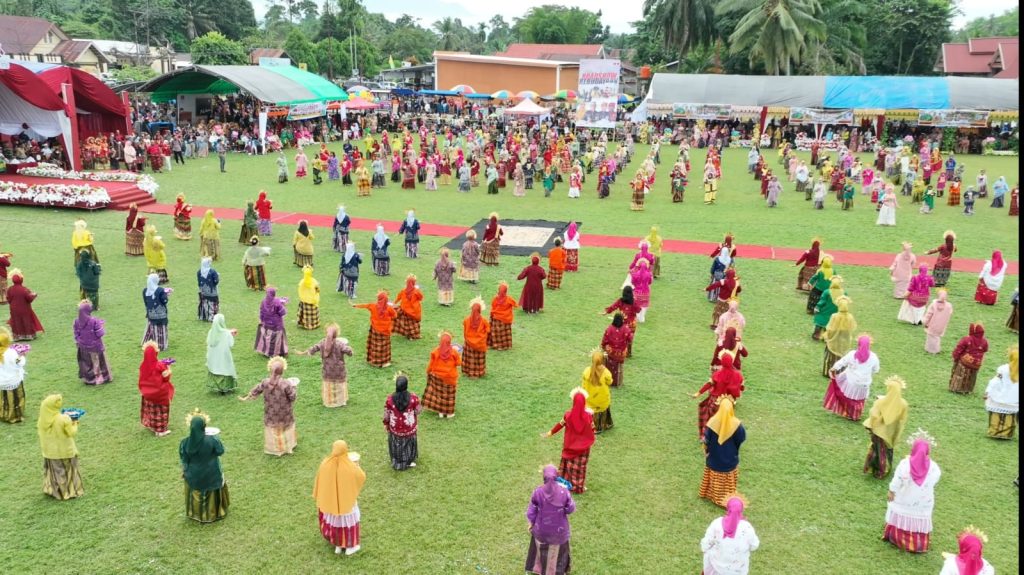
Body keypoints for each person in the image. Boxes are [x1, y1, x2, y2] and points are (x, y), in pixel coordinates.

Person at [884, 433, 941, 553]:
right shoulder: (934, 468)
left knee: (902, 512)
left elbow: (897, 480)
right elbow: (934, 480)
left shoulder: (905, 464)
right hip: (923, 501)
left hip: (904, 498)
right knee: (918, 516)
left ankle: (897, 538)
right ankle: (916, 544)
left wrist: (892, 491)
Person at [313, 440, 365, 555]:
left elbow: (320, 480)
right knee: (348, 522)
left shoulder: (325, 463)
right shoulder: (349, 466)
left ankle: (338, 545)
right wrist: (357, 466)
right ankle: (351, 547)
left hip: (331, 502)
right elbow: (361, 476)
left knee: (336, 522)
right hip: (347, 502)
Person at [240, 356, 298, 456]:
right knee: (285, 427)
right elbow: (292, 397)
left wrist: (248, 397)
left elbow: (256, 390)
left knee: (273, 428)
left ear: (270, 370)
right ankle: (287, 447)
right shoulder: (286, 384)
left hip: (271, 412)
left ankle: (276, 449)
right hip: (285, 412)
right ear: (282, 371)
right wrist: (294, 387)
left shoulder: (265, 382)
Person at [525, 464, 576, 575]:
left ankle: (540, 569)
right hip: (560, 532)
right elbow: (570, 509)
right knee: (559, 552)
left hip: (541, 531)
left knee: (541, 550)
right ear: (556, 476)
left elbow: (531, 512)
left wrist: (531, 524)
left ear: (544, 477)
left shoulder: (537, 492)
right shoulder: (564, 492)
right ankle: (558, 571)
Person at [179, 413, 229, 523]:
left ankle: (196, 513)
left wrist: (184, 471)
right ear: (204, 426)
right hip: (212, 474)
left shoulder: (185, 442)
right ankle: (213, 513)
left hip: (194, 476)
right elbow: (220, 451)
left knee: (194, 486)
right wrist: (216, 438)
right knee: (212, 485)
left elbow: (184, 460)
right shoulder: (211, 440)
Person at [544, 388, 595, 494]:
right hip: (583, 448)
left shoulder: (568, 415)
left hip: (570, 445)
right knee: (580, 467)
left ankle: (564, 482)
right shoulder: (588, 416)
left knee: (567, 464)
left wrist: (551, 432)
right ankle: (578, 487)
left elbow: (560, 424)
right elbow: (593, 429)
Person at [700, 397, 745, 507]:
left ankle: (712, 494)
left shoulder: (713, 422)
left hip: (714, 458)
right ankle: (725, 498)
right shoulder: (737, 425)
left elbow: (706, 440)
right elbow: (741, 438)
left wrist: (706, 450)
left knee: (714, 473)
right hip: (730, 458)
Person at [37, 394, 84, 500]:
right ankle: (69, 491)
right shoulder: (64, 418)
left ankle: (56, 491)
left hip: (50, 452)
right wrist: (75, 423)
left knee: (56, 472)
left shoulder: (42, 420)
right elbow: (71, 433)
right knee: (68, 471)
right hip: (65, 451)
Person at [700, 494, 760, 575]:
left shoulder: (717, 523)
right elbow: (754, 545)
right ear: (741, 510)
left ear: (728, 508)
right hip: (737, 569)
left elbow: (707, 542)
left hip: (716, 565)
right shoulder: (747, 527)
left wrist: (704, 549)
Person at [863, 375, 909, 479]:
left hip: (879, 431)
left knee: (877, 449)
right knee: (887, 449)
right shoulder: (903, 404)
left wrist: (872, 424)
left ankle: (878, 469)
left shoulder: (880, 402)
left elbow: (874, 415)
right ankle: (884, 468)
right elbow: (902, 419)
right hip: (891, 431)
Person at [298, 323, 354, 408]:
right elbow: (348, 351)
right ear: (337, 334)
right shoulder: (340, 344)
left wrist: (307, 352)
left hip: (327, 370)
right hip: (339, 371)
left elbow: (315, 348)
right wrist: (350, 350)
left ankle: (329, 402)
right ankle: (340, 401)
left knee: (329, 385)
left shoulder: (322, 342)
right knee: (339, 386)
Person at [825, 335, 879, 420]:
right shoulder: (874, 357)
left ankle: (847, 411)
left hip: (851, 381)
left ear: (858, 344)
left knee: (845, 392)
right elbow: (876, 370)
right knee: (859, 400)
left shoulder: (852, 354)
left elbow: (842, 362)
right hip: (864, 383)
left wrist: (833, 368)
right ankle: (856, 414)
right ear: (869, 345)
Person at [693, 352, 744, 440]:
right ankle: (724, 437)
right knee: (724, 420)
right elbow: (741, 387)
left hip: (716, 401)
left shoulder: (717, 374)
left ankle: (704, 436)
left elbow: (709, 384)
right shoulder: (738, 375)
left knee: (706, 415)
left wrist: (698, 393)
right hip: (729, 402)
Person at [384, 373, 421, 470]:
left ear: (396, 385)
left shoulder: (389, 399)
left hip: (395, 429)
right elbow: (418, 411)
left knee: (397, 444)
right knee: (408, 443)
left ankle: (397, 461)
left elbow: (386, 415)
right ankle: (409, 461)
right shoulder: (413, 398)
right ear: (406, 385)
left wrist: (386, 424)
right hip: (409, 428)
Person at [138, 341, 175, 437]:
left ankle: (152, 426)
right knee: (161, 411)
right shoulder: (159, 365)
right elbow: (166, 377)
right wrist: (169, 368)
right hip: (160, 394)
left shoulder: (142, 366)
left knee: (151, 410)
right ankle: (160, 430)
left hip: (147, 394)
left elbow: (141, 379)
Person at [353, 291, 397, 368]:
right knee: (384, 346)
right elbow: (395, 316)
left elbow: (365, 305)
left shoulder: (373, 306)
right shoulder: (389, 308)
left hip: (375, 329)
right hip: (385, 330)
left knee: (375, 345)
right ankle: (383, 362)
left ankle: (374, 361)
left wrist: (355, 305)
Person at [73, 300, 111, 386]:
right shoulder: (94, 321)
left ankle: (89, 379)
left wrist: (80, 341)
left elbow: (76, 334)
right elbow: (100, 333)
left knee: (86, 363)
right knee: (99, 362)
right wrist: (101, 325)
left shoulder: (76, 321)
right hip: (96, 347)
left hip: (83, 347)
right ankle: (101, 378)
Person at [984, 346, 1018, 440]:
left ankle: (994, 431)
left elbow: (995, 381)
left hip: (999, 396)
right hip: (1014, 399)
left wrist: (988, 391)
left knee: (996, 414)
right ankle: (1006, 433)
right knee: (1010, 416)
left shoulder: (1003, 369)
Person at [949, 323, 989, 394]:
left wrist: (955, 357)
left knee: (960, 374)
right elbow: (985, 349)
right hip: (976, 363)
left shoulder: (967, 339)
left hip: (965, 362)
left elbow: (959, 349)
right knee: (972, 376)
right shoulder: (984, 341)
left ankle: (957, 388)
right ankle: (968, 389)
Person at [822, 297, 857, 376]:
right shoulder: (850, 317)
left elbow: (830, 328)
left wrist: (827, 336)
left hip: (834, 340)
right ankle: (839, 372)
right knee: (842, 357)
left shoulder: (834, 316)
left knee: (831, 356)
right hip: (844, 340)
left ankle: (828, 372)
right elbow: (852, 328)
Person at [205, 314, 237, 394]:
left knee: (216, 368)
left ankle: (218, 386)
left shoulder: (211, 332)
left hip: (213, 356)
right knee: (225, 368)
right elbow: (231, 344)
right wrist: (231, 335)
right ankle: (225, 387)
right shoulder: (226, 333)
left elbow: (209, 342)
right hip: (224, 356)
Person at [0, 328, 27, 422]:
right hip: (13, 380)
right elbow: (19, 363)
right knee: (16, 398)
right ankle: (14, 416)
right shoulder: (11, 353)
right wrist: (22, 356)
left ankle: (3, 413)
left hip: (2, 381)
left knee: (4, 398)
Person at [460, 297, 491, 378]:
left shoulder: (467, 320)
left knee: (470, 358)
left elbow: (464, 328)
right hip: (480, 344)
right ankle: (479, 372)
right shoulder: (483, 321)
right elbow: (488, 330)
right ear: (480, 310)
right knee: (478, 358)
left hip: (469, 344)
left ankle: (468, 371)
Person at [141, 273, 170, 350]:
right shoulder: (160, 290)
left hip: (151, 314)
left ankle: (147, 342)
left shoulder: (145, 291)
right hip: (161, 316)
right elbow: (164, 301)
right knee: (161, 329)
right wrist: (166, 294)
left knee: (151, 328)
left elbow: (146, 303)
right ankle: (161, 345)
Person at [922, 289, 954, 354]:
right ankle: (936, 349)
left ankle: (931, 349)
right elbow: (950, 313)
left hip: (932, 324)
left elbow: (928, 314)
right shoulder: (949, 306)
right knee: (937, 337)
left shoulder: (933, 305)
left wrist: (925, 322)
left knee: (931, 336)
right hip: (942, 325)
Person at [394, 274, 423, 340]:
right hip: (414, 311)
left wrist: (394, 303)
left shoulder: (403, 290)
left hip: (405, 310)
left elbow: (398, 297)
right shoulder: (416, 291)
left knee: (406, 323)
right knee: (413, 324)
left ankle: (407, 334)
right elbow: (421, 297)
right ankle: (413, 335)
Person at [196, 257, 220, 322]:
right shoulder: (212, 271)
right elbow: (216, 281)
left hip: (202, 291)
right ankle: (211, 317)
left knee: (204, 303)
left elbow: (199, 282)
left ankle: (203, 316)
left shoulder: (199, 272)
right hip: (212, 291)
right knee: (212, 304)